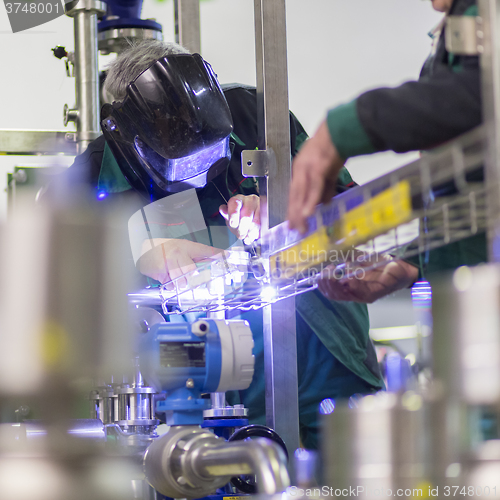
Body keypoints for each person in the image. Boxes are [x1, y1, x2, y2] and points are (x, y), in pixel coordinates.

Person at [65, 39, 384, 449]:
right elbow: (61, 302)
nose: (203, 175)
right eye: (186, 164)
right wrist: (135, 257)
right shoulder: (92, 177)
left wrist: (284, 210)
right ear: (133, 141)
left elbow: (352, 213)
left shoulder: (257, 116)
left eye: (212, 155)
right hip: (199, 400)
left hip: (325, 368)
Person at [286, 0, 485, 303]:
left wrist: (341, 130)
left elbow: (476, 96)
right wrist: (411, 263)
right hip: (466, 301)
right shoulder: (458, 28)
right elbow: (471, 188)